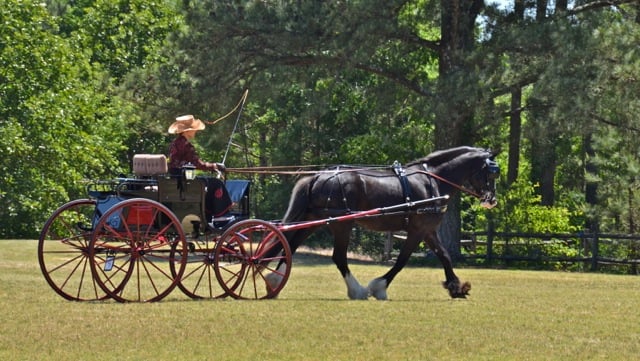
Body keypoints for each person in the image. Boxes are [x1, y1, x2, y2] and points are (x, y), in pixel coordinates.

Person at [167, 115, 232, 223]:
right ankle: (220, 215)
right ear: (187, 131)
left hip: (178, 178)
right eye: (193, 130)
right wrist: (214, 165)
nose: (195, 132)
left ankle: (208, 215)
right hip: (183, 181)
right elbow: (197, 164)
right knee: (216, 183)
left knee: (208, 182)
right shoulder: (186, 145)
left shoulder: (176, 143)